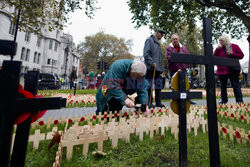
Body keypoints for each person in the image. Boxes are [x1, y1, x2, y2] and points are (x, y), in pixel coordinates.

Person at [213, 34, 244, 104]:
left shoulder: (233, 46)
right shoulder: (219, 49)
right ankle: (224, 100)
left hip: (232, 70)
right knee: (223, 86)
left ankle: (239, 101)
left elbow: (241, 55)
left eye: (222, 41)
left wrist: (233, 54)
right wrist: (217, 49)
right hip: (222, 71)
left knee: (235, 86)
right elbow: (214, 58)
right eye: (220, 41)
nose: (221, 42)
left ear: (226, 40)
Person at [166, 34, 196, 104]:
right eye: (174, 39)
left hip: (183, 69)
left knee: (186, 84)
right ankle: (175, 100)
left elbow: (187, 55)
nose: (175, 40)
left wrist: (182, 55)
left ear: (178, 39)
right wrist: (177, 56)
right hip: (174, 70)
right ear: (172, 40)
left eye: (176, 39)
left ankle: (188, 99)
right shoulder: (169, 48)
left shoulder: (183, 47)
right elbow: (168, 57)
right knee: (174, 85)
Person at [143, 28, 166, 108]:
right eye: (161, 34)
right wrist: (151, 62)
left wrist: (161, 69)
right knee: (149, 86)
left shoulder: (158, 43)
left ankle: (158, 102)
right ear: (156, 33)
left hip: (158, 69)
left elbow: (159, 58)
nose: (162, 36)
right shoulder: (149, 40)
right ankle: (149, 102)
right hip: (150, 68)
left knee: (158, 86)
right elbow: (146, 53)